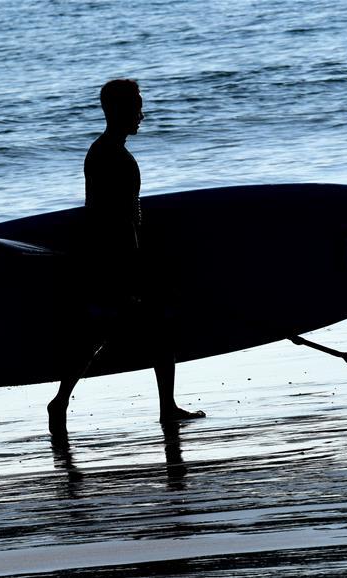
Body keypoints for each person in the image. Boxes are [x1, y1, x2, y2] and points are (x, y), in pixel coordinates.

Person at [47, 79, 206, 435]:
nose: (142, 114)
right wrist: (132, 264)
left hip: (112, 257)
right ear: (117, 110)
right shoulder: (110, 155)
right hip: (113, 259)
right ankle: (61, 402)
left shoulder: (107, 151)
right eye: (136, 106)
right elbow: (116, 218)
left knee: (115, 333)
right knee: (107, 333)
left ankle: (163, 407)